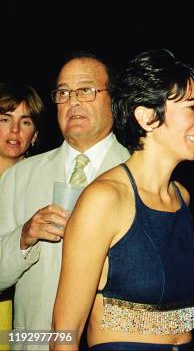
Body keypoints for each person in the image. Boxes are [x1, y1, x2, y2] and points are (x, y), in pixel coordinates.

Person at [52, 50, 194, 350]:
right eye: (193, 108)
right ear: (148, 117)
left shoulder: (182, 198)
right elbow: (64, 333)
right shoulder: (104, 200)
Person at [0, 54, 129, 348]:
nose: (73, 101)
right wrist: (23, 238)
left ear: (114, 99)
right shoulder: (20, 176)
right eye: (63, 93)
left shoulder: (140, 175)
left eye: (85, 90)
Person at [0, 82, 44, 344]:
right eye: (5, 119)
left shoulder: (45, 181)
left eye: (25, 122)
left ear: (35, 134)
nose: (14, 130)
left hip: (25, 310)